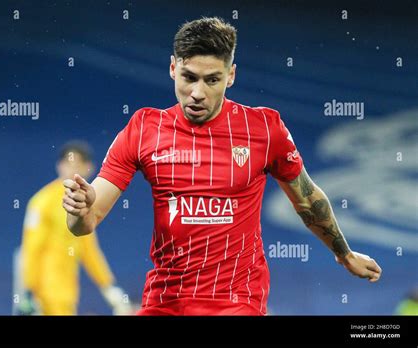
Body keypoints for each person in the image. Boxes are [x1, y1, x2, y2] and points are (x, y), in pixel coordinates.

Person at [62, 18, 382, 315]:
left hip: (237, 301)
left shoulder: (264, 128)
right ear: (173, 68)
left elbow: (307, 199)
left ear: (230, 76)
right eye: (189, 77)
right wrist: (79, 210)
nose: (198, 93)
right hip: (165, 300)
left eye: (212, 80)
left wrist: (344, 253)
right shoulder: (144, 128)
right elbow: (86, 223)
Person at [18, 141, 132, 315]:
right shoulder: (41, 202)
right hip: (45, 294)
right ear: (59, 166)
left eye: (77, 165)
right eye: (67, 164)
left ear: (89, 168)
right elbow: (32, 248)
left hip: (68, 293)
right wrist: (28, 290)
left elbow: (88, 250)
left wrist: (109, 286)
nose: (71, 170)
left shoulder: (83, 203)